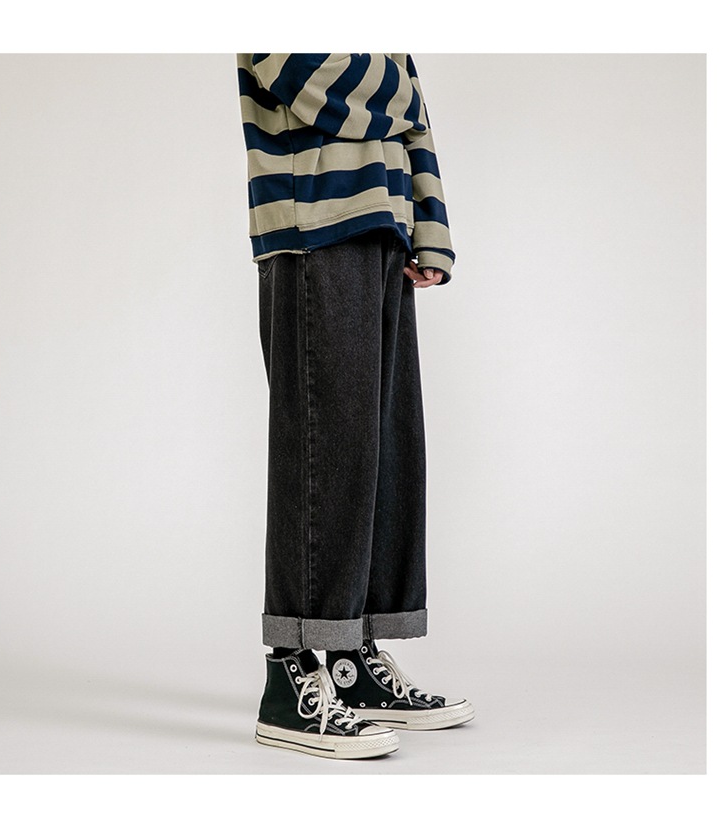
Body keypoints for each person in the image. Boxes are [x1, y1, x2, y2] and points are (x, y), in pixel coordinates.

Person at [236, 53, 474, 760]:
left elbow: (416, 123)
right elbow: (313, 83)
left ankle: (352, 661)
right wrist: (402, 94)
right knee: (325, 450)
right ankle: (290, 677)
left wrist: (430, 231)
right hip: (311, 224)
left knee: (385, 448)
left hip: (385, 227)